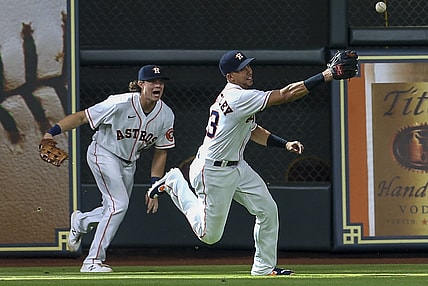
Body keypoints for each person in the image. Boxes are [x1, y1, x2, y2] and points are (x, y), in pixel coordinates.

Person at [148, 50, 358, 276]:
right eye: (242, 69)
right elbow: (286, 94)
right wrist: (326, 75)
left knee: (268, 210)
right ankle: (174, 182)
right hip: (212, 171)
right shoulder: (237, 97)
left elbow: (253, 130)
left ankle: (263, 267)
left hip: (237, 166)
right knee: (209, 236)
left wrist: (284, 144)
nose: (249, 70)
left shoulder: (238, 97)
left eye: (248, 66)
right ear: (230, 77)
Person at [41, 65, 175, 273]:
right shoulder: (119, 103)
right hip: (103, 153)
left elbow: (161, 151)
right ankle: (92, 260)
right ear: (141, 84)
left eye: (160, 82)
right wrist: (50, 134)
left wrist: (153, 186)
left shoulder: (166, 114)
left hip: (129, 163)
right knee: (119, 205)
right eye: (152, 81)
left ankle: (81, 222)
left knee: (112, 209)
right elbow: (82, 117)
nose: (157, 85)